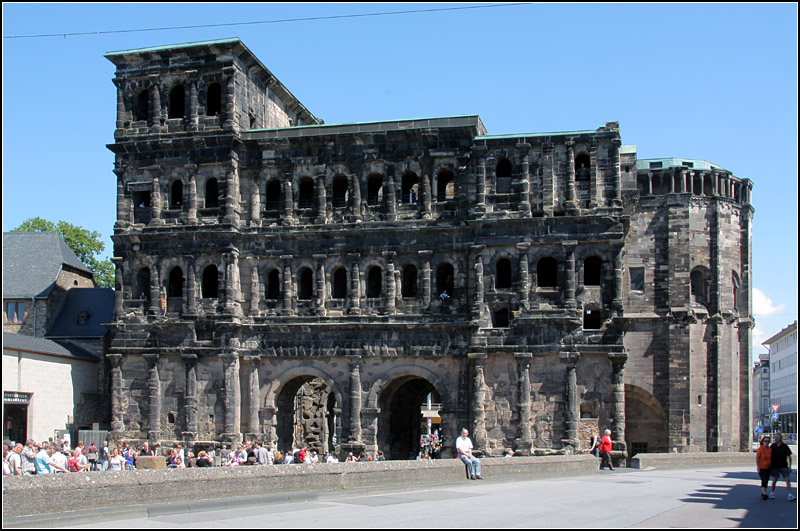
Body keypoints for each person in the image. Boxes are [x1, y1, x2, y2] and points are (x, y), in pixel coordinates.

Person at [768, 433, 795, 501]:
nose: (775, 438)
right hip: (775, 466)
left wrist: (790, 466)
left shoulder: (785, 446)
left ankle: (790, 494)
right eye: (775, 437)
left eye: (776, 437)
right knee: (775, 480)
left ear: (780, 438)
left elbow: (789, 456)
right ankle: (772, 492)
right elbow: (769, 456)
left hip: (784, 466)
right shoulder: (772, 446)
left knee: (787, 479)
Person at [756, 435, 772, 500]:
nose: (766, 442)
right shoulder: (760, 449)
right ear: (763, 442)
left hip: (768, 467)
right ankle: (764, 493)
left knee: (766, 480)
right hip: (762, 467)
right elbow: (757, 458)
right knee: (764, 480)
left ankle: (764, 492)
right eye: (765, 441)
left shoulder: (770, 449)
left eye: (768, 441)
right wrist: (758, 467)